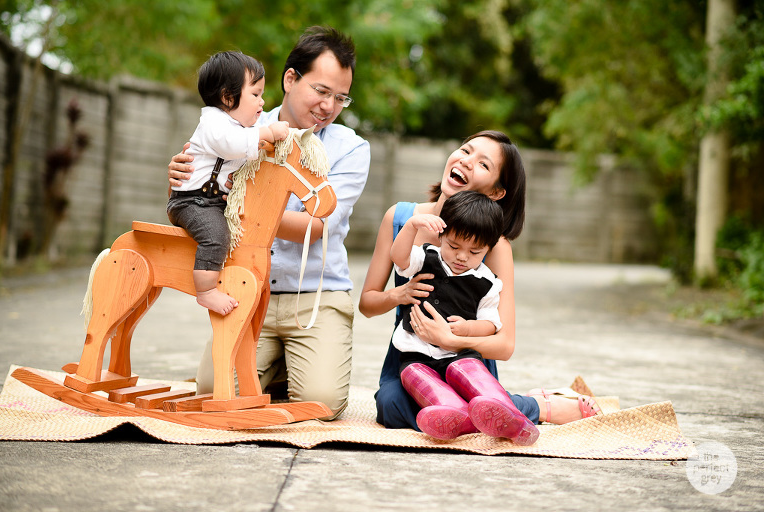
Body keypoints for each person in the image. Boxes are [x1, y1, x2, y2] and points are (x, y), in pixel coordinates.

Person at [168, 27, 370, 419]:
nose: (329, 106)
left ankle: (291, 364)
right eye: (322, 90)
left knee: (321, 403)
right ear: (290, 79)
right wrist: (182, 177)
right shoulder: (239, 128)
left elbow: (318, 227)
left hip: (315, 296)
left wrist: (249, 214)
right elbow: (204, 180)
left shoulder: (350, 149)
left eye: (340, 98)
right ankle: (276, 368)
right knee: (213, 393)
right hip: (248, 287)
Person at [359, 130, 600, 433]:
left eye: (484, 164)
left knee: (469, 403)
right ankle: (516, 408)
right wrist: (399, 294)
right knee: (391, 405)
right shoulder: (401, 219)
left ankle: (534, 407)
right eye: (465, 150)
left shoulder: (495, 247)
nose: (467, 161)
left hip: (467, 363)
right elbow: (367, 304)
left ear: (496, 192)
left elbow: (504, 344)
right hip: (410, 359)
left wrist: (451, 340)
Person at [390, 190, 540, 444]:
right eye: (454, 246)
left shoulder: (486, 282)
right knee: (423, 384)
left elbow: (491, 324)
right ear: (442, 236)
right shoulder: (426, 258)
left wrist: (467, 329)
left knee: (479, 379)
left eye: (474, 252)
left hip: (461, 355)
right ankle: (461, 418)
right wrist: (412, 226)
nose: (462, 257)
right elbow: (399, 257)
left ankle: (512, 419)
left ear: (488, 249)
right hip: (416, 356)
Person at [167, 51, 289, 316]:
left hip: (210, 201)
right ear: (227, 97)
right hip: (192, 201)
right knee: (217, 236)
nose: (262, 101)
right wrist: (268, 132)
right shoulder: (213, 122)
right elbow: (231, 146)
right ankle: (206, 291)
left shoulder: (240, 129)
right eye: (255, 94)